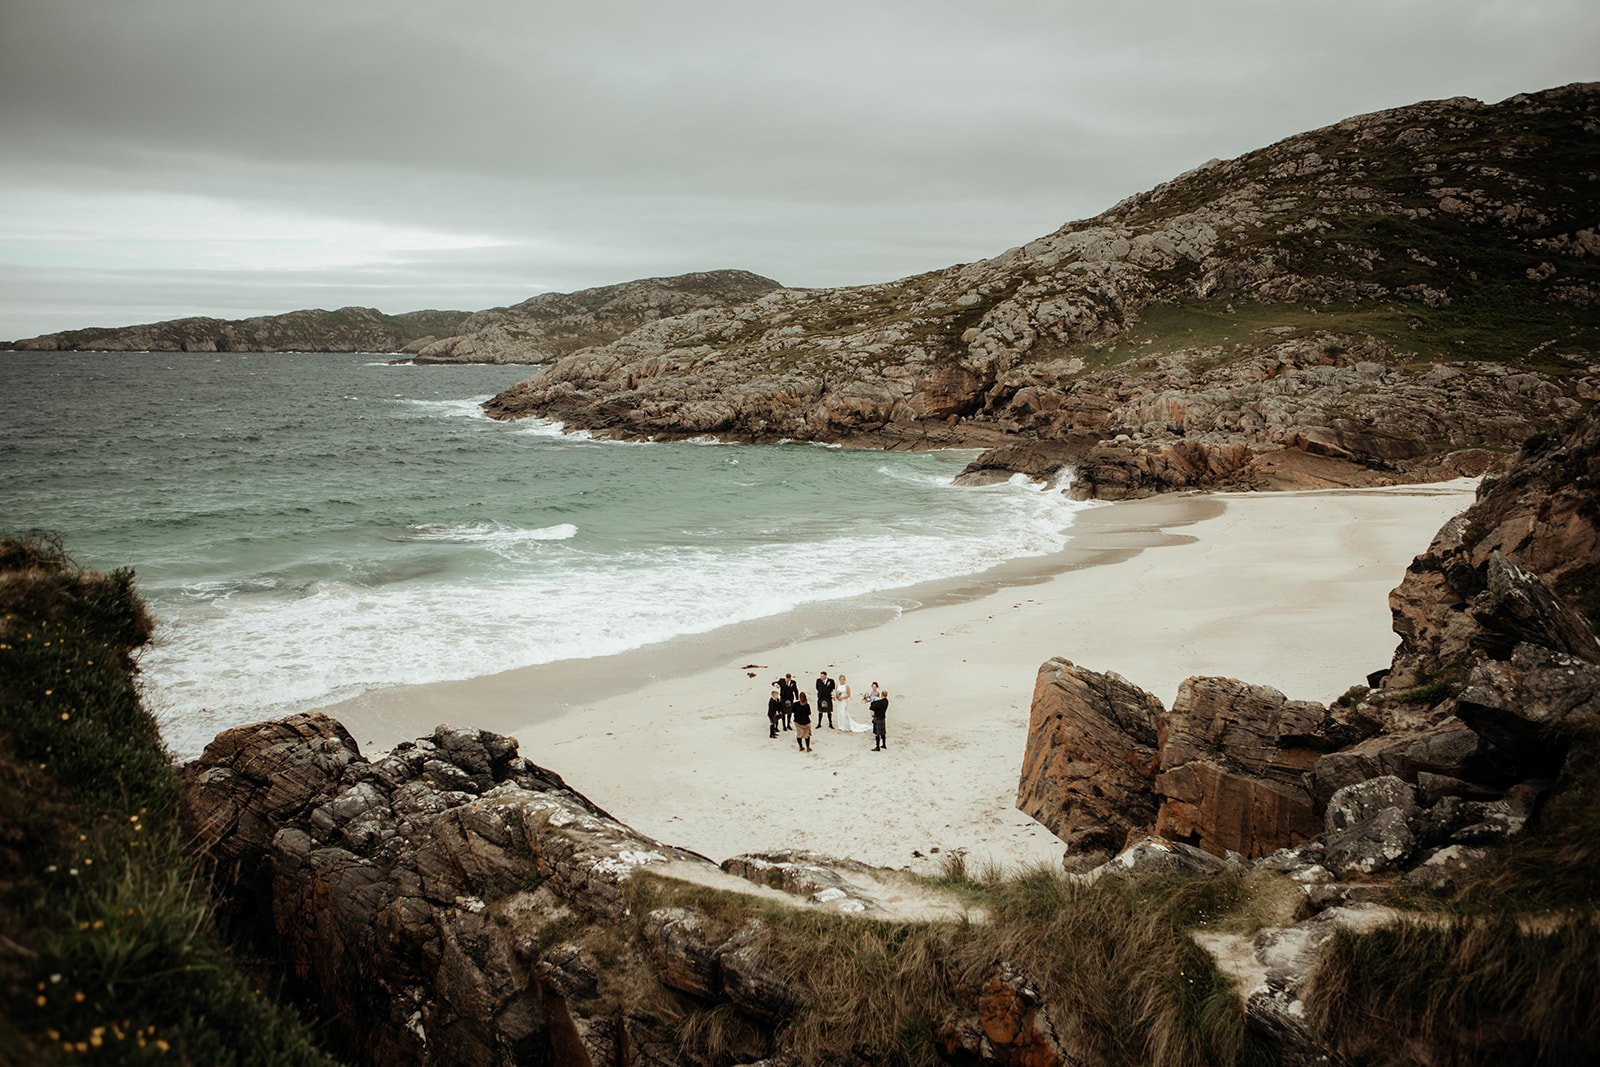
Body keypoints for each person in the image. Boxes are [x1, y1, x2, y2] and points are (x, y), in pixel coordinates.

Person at [870, 687, 889, 751]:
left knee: (877, 733)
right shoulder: (886, 701)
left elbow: (872, 707)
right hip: (883, 718)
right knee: (883, 732)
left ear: (882, 695)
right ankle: (884, 744)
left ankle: (877, 747)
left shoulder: (879, 702)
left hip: (878, 718)